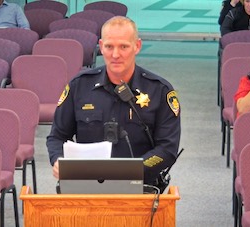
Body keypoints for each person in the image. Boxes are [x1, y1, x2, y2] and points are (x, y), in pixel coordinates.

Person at [46, 16, 181, 186]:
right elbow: (57, 137)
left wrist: (129, 171)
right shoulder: (79, 86)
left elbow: (167, 149)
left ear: (137, 46)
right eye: (109, 47)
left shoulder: (160, 91)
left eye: (123, 46)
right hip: (85, 186)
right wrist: (59, 160)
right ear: (101, 47)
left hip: (140, 185)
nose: (115, 55)